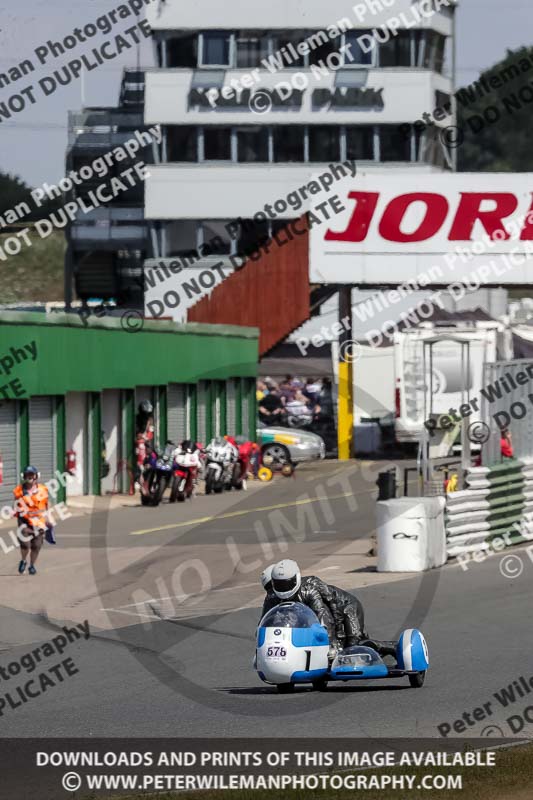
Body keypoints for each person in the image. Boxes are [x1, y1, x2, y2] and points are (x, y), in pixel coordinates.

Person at [263, 560, 397, 659]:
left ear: (295, 578)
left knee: (351, 648)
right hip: (331, 611)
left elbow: (325, 617)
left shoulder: (309, 589)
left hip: (345, 607)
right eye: (278, 584)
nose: (282, 588)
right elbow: (265, 622)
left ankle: (391, 647)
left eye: (286, 583)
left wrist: (334, 643)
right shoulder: (272, 596)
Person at [13, 466, 51, 576]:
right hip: (24, 521)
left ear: (36, 476)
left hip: (39, 522)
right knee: (25, 544)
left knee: (36, 545)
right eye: (27, 475)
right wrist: (16, 509)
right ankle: (24, 560)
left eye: (31, 474)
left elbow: (47, 504)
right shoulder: (19, 490)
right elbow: (15, 504)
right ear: (23, 476)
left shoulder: (43, 489)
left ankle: (32, 565)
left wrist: (48, 517)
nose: (29, 477)